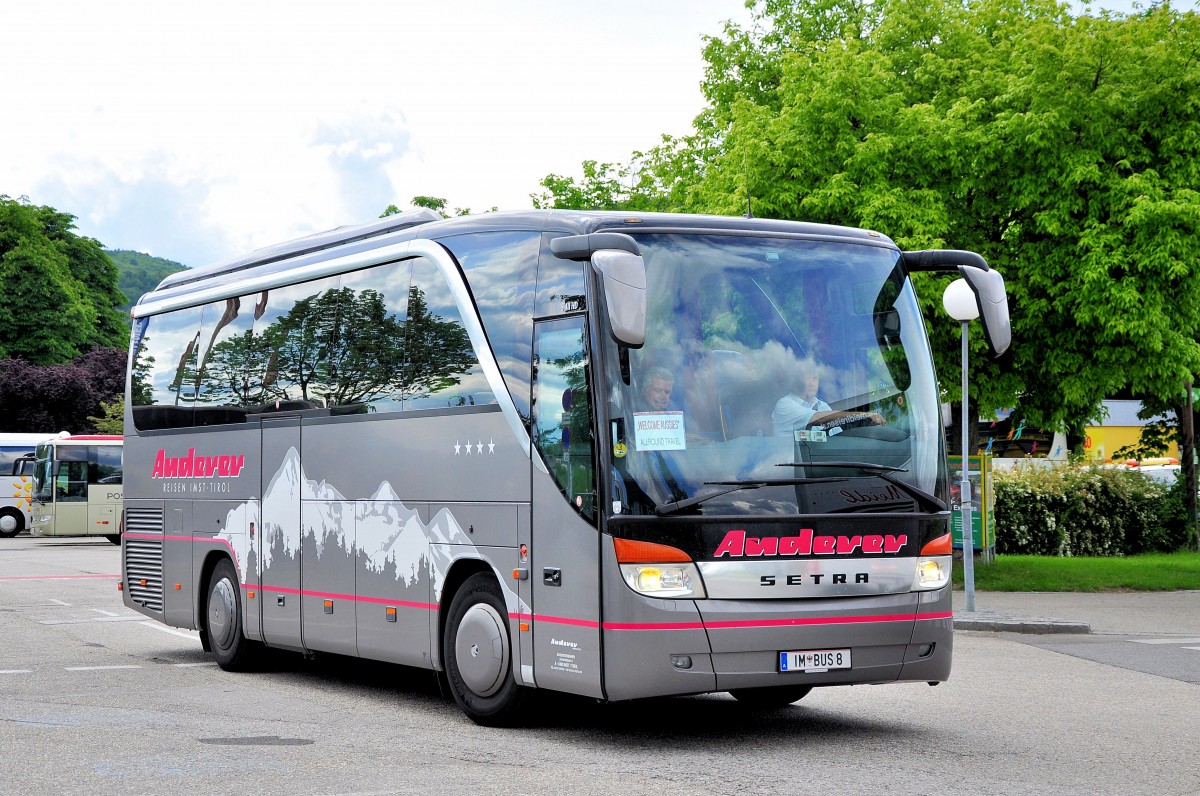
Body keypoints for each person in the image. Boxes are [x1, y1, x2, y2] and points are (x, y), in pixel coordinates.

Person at [773, 369, 884, 437]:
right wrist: (863, 415)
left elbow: (836, 435)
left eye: (815, 379)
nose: (812, 383)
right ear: (797, 381)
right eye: (807, 378)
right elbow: (820, 419)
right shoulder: (785, 404)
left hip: (822, 465)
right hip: (790, 467)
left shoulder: (822, 406)